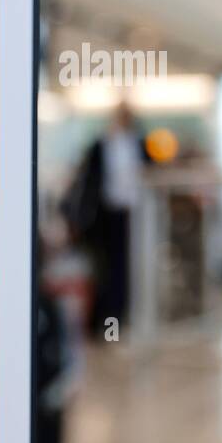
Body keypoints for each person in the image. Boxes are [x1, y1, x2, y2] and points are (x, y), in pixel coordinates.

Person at [61, 103, 147, 335]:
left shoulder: (139, 143)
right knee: (103, 268)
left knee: (124, 267)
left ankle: (120, 316)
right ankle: (103, 321)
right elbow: (88, 181)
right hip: (104, 216)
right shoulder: (101, 145)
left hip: (131, 215)